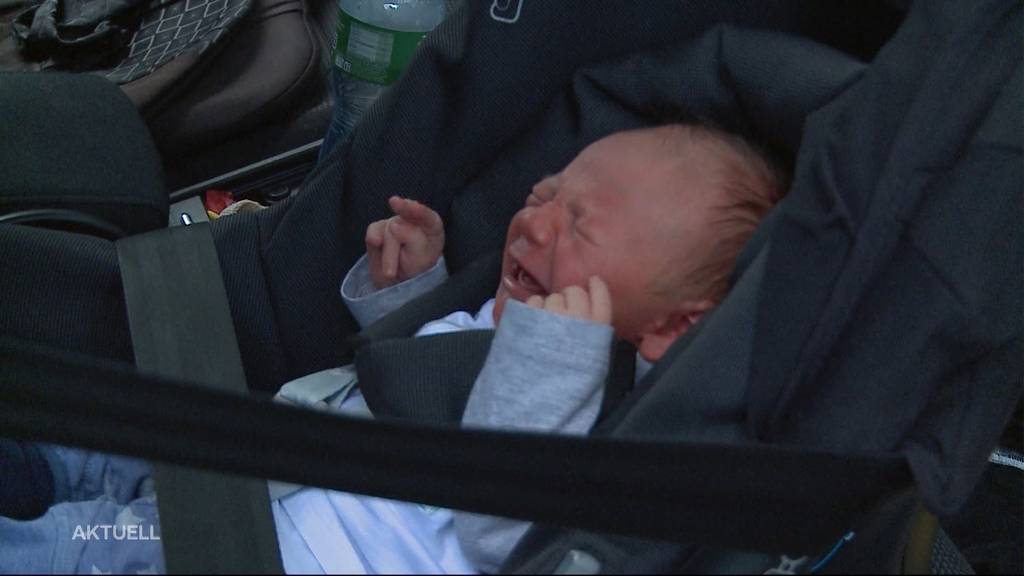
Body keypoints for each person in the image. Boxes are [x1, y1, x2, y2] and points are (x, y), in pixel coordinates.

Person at [0, 123, 786, 574]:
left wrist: (549, 358)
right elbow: (417, 375)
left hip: (291, 556)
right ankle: (41, 466)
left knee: (72, 550)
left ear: (672, 327)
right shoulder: (513, 303)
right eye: (547, 193)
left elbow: (499, 535)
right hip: (249, 470)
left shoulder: (624, 416)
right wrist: (412, 290)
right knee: (90, 464)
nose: (536, 221)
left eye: (582, 225)